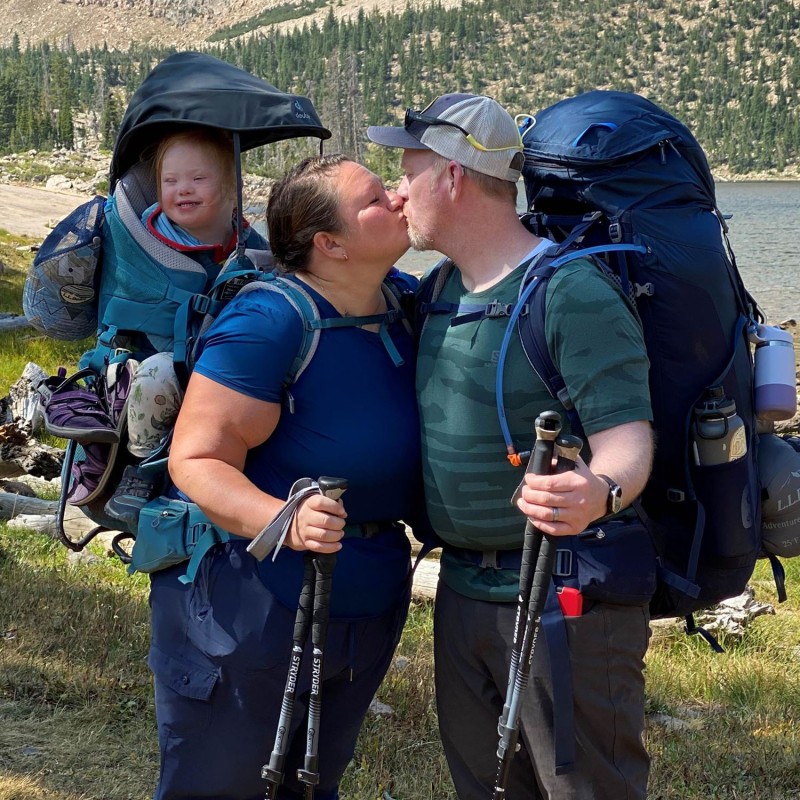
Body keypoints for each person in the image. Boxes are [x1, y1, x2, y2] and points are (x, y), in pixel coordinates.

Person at [368, 94, 655, 799]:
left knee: (583, 788)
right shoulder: (436, 292)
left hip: (563, 595)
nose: (398, 190)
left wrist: (599, 491)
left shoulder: (571, 292)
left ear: (456, 176)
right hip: (463, 595)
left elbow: (629, 441)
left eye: (409, 170)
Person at [152, 154, 419, 799]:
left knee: (309, 788)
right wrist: (284, 519)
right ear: (330, 244)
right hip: (249, 607)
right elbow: (196, 458)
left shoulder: (406, 309)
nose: (401, 197)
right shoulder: (269, 322)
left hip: (365, 604)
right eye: (377, 199)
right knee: (220, 787)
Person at [104, 126, 265, 527]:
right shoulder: (143, 236)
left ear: (231, 186)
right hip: (150, 358)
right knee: (159, 376)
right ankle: (141, 466)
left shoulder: (246, 241)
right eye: (170, 181)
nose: (183, 190)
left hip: (219, 358)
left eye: (198, 179)